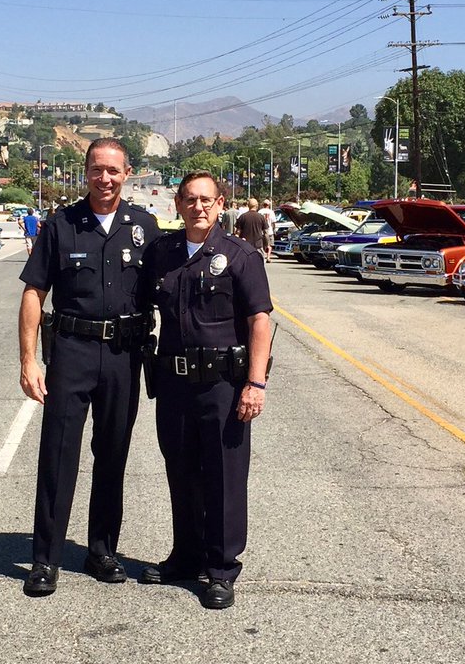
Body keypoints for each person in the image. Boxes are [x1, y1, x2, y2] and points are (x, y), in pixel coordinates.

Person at [17, 138, 161, 597]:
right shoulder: (61, 225)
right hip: (73, 353)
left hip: (124, 355)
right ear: (86, 172)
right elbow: (33, 294)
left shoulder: (145, 227)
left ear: (128, 172)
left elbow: (170, 288)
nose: (105, 179)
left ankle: (101, 549)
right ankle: (45, 559)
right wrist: (28, 361)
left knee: (113, 454)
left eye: (113, 171)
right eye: (97, 170)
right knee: (59, 456)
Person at [140, 170, 273, 610]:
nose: (198, 206)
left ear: (220, 206)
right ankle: (185, 556)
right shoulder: (162, 254)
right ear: (177, 204)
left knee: (223, 477)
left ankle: (220, 569)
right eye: (190, 199)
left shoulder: (240, 256)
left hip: (224, 386)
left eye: (206, 200)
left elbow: (259, 321)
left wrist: (255, 383)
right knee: (181, 472)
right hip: (175, 384)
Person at [257, 199, 276, 263]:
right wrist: (274, 229)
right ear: (269, 205)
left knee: (262, 245)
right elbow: (273, 222)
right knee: (269, 245)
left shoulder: (260, 211)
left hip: (261, 231)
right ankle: (268, 257)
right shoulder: (271, 212)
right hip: (269, 231)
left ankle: (263, 256)